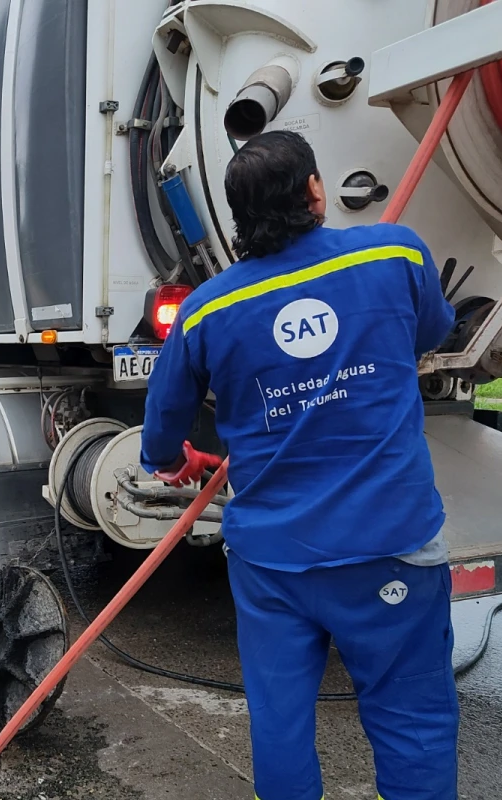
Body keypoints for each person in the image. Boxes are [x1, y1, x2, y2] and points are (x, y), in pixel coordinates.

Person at [140, 130, 458, 800]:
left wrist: (177, 461)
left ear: (238, 217)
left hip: (274, 562)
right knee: (412, 718)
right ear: (316, 190)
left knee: (280, 721)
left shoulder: (208, 308)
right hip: (391, 545)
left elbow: (159, 437)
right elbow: (431, 331)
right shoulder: (395, 252)